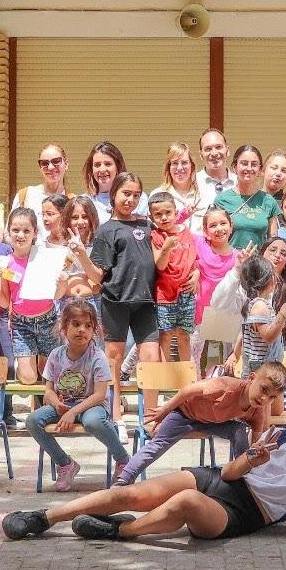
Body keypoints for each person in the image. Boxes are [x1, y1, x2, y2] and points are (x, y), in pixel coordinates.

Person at [2, 385, 286, 544]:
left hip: (246, 514)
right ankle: (44, 518)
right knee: (135, 493)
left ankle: (119, 531)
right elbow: (231, 473)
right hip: (226, 481)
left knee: (185, 502)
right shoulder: (283, 438)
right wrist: (250, 458)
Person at [116, 360, 286, 487]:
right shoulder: (225, 387)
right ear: (252, 378)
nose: (265, 398)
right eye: (264, 389)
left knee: (238, 431)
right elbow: (187, 390)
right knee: (158, 444)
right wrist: (164, 411)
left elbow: (256, 441)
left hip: (212, 422)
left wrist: (255, 454)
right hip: (184, 415)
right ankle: (124, 478)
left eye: (272, 397)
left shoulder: (257, 409)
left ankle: (244, 478)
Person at [26, 299, 132, 491]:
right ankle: (65, 464)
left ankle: (123, 460)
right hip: (64, 405)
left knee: (93, 422)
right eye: (76, 324)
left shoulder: (97, 356)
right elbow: (48, 391)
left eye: (87, 326)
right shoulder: (56, 355)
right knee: (33, 420)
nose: (82, 329)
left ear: (94, 331)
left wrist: (73, 412)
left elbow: (100, 395)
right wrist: (56, 403)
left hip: (92, 406)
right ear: (64, 328)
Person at [91, 172, 159, 409]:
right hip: (115, 301)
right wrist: (80, 254)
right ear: (113, 194)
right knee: (114, 358)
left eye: (136, 195)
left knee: (151, 356)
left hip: (146, 302)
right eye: (125, 194)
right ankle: (114, 412)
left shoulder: (147, 226)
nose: (130, 199)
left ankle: (152, 414)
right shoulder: (106, 230)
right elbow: (98, 274)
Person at [0, 207, 62, 382]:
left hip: (48, 320)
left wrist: (64, 281)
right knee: (28, 377)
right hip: (21, 324)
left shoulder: (45, 258)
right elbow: (5, 303)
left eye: (26, 231)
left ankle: (45, 406)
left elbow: (57, 295)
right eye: (15, 230)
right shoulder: (5, 263)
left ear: (35, 233)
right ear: (8, 232)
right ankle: (25, 364)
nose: (20, 235)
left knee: (48, 373)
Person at [149, 194, 199, 378]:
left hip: (186, 293)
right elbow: (159, 265)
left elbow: (195, 260)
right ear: (152, 217)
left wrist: (197, 274)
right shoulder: (156, 236)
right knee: (167, 336)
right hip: (165, 294)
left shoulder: (186, 232)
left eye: (168, 212)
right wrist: (166, 248)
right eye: (158, 214)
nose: (164, 217)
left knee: (184, 335)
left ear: (176, 213)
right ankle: (167, 378)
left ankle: (186, 378)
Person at [228, 255, 286, 379]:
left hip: (262, 365)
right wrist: (283, 315)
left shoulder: (253, 303)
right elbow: (268, 337)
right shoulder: (260, 306)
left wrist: (235, 354)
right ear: (268, 279)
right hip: (261, 367)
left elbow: (242, 334)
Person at [214, 145, 280, 250]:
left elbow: (273, 241)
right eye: (244, 163)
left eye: (254, 164)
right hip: (231, 263)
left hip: (259, 264)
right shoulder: (222, 201)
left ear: (260, 169)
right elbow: (215, 238)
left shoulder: (268, 201)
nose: (249, 168)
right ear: (234, 167)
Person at [155, 142, 204, 232]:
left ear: (191, 165)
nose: (180, 168)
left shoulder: (204, 193)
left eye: (184, 162)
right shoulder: (158, 195)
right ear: (168, 167)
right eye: (175, 163)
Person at [13, 143, 71, 214]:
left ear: (66, 164)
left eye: (56, 161)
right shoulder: (25, 196)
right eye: (44, 163)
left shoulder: (72, 202)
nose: (50, 167)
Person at [82, 141, 127, 221]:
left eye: (108, 164)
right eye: (97, 165)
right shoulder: (84, 202)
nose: (102, 169)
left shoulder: (136, 198)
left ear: (118, 167)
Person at [195, 129, 233, 203]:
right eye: (208, 149)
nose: (214, 153)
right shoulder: (192, 183)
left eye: (218, 147)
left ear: (227, 151)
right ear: (201, 155)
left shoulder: (239, 182)